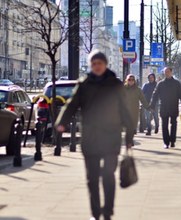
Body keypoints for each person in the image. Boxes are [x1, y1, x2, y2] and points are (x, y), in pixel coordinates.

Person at [55, 50, 132, 220]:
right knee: (92, 178)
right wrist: (61, 122)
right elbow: (71, 105)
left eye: (100, 63)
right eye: (94, 64)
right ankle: (95, 213)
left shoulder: (116, 85)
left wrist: (129, 137)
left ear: (105, 64)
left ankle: (108, 211)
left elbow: (125, 111)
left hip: (111, 137)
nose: (97, 66)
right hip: (90, 137)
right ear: (91, 65)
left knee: (107, 176)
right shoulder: (84, 84)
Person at [150, 67, 181, 149]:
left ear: (171, 72)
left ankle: (172, 141)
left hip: (174, 106)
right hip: (164, 107)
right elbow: (155, 94)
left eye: (168, 72)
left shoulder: (176, 83)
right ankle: (166, 142)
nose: (166, 73)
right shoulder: (160, 84)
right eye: (165, 72)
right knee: (164, 125)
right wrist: (152, 105)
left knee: (173, 124)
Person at [124, 74, 150, 148]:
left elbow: (142, 99)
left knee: (132, 127)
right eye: (129, 79)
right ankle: (129, 141)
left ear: (134, 81)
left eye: (132, 80)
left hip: (134, 111)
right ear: (127, 80)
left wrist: (147, 107)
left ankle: (130, 139)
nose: (131, 81)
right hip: (125, 111)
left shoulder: (138, 89)